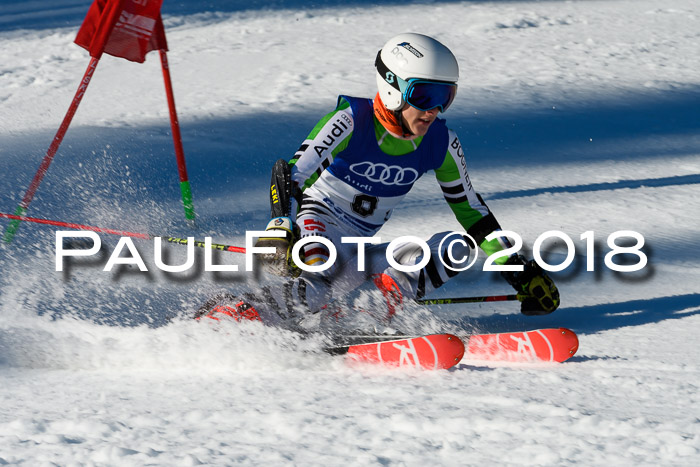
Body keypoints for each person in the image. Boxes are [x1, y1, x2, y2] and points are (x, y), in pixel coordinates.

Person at [203, 33, 559, 330]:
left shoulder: (440, 142)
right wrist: (281, 224)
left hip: (358, 251)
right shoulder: (351, 120)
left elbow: (473, 213)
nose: (433, 110)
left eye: (445, 97)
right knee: (318, 273)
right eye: (425, 96)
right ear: (392, 87)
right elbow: (290, 172)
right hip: (318, 227)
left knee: (455, 249)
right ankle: (238, 310)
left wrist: (519, 271)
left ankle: (366, 317)